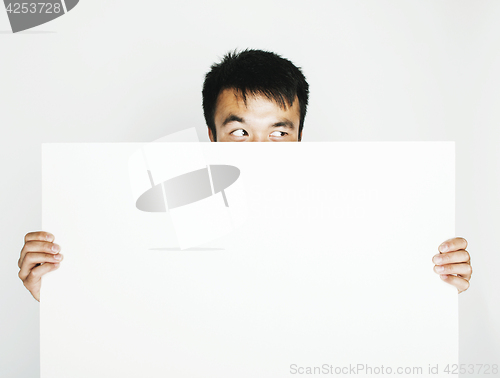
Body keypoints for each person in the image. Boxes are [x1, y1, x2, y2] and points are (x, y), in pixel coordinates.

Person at [17, 49, 472, 301]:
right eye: (239, 131)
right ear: (212, 138)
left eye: (278, 133)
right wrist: (57, 291)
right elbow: (131, 314)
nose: (258, 151)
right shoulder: (169, 219)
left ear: (300, 138)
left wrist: (435, 284)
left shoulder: (351, 220)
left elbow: (376, 310)